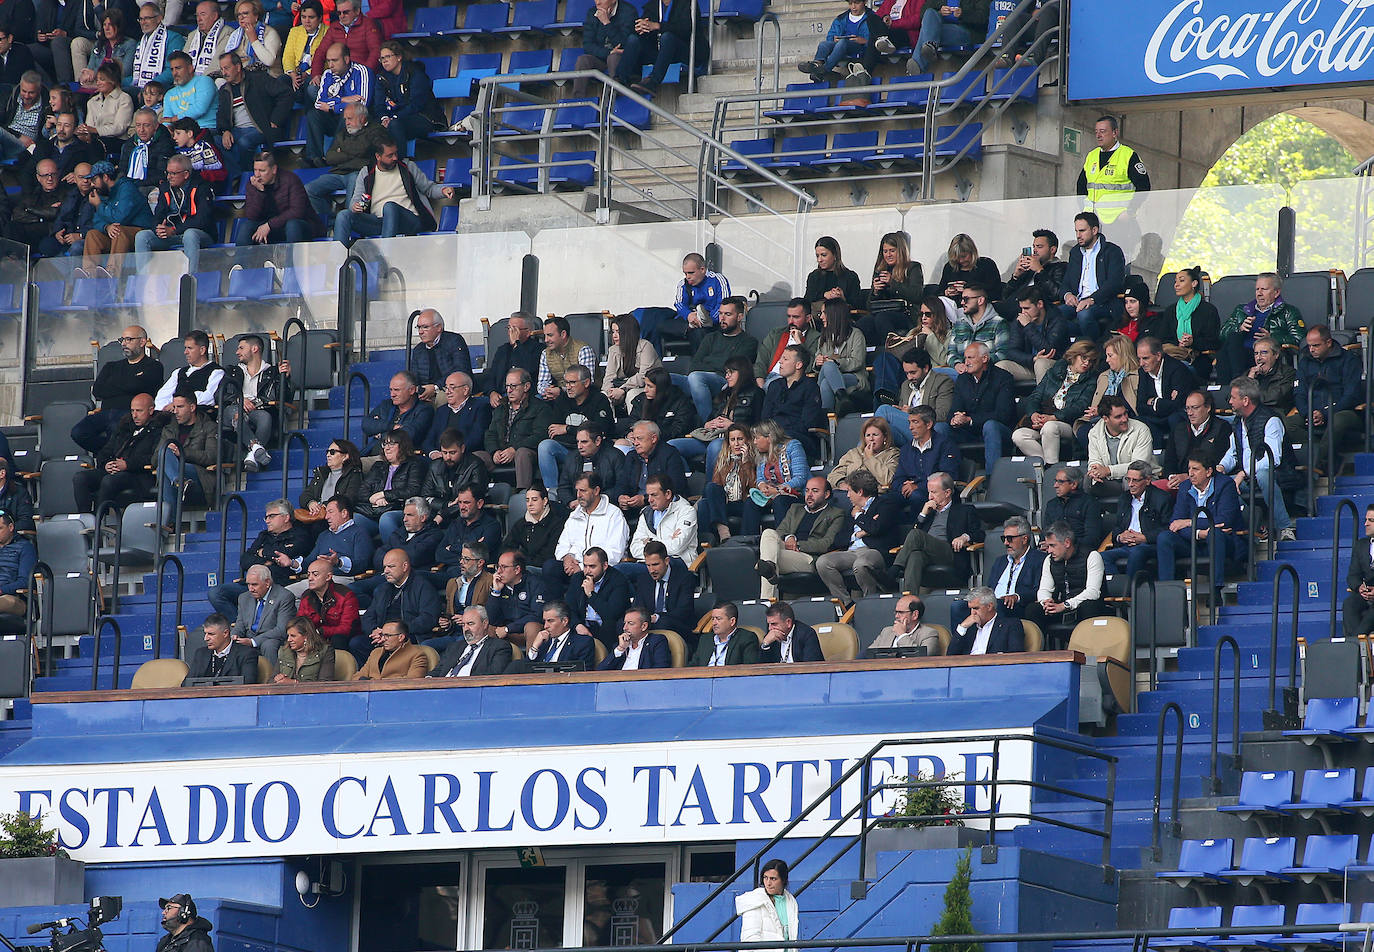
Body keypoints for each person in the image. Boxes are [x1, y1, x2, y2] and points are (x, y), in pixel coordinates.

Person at [335, 134, 455, 244]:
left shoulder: (407, 167)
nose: (394, 158)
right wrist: (355, 206)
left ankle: (386, 258)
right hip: (379, 223)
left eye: (395, 154)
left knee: (390, 207)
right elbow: (355, 200)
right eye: (389, 155)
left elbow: (428, 188)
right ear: (378, 156)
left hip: (409, 221)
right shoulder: (366, 172)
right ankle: (337, 263)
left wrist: (443, 190)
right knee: (343, 215)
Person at [1221, 375, 1295, 541]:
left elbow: (1273, 458)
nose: (1230, 402)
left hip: (1279, 475)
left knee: (1263, 474)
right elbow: (1233, 452)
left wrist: (1243, 474)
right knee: (1221, 484)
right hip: (1248, 478)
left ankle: (1285, 527)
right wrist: (1221, 467)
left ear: (1245, 400)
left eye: (1233, 398)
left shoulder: (1271, 420)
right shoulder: (1238, 422)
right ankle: (1255, 525)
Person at [208, 498, 308, 617]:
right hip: (252, 585)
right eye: (266, 517)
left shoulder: (300, 535)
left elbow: (284, 554)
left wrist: (262, 552)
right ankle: (238, 628)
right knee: (216, 593)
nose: (267, 521)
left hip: (278, 585)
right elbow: (245, 560)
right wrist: (265, 563)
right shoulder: (264, 535)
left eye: (271, 516)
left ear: (286, 517)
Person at [71, 324, 163, 453]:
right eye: (122, 340)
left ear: (142, 342)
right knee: (78, 432)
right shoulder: (111, 366)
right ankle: (108, 453)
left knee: (116, 427)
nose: (124, 344)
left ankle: (114, 457)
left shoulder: (153, 366)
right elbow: (97, 391)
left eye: (129, 339)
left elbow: (141, 387)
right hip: (106, 412)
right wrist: (131, 383)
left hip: (130, 414)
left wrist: (115, 384)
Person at [1155, 453, 1243, 586]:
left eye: (1195, 469)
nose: (1190, 473)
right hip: (1192, 542)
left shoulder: (1225, 485)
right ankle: (1167, 589)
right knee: (1165, 537)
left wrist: (1189, 522)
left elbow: (1224, 521)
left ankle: (1216, 589)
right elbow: (1175, 523)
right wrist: (1199, 533)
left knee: (1215, 534)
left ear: (1208, 471)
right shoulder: (1185, 487)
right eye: (1189, 469)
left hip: (1222, 542)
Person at [815, 470, 901, 603]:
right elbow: (838, 539)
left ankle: (870, 602)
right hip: (852, 551)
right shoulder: (851, 510)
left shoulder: (885, 504)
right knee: (823, 562)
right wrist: (858, 533)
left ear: (860, 492)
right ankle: (846, 604)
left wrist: (860, 517)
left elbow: (876, 528)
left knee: (861, 564)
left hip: (874, 551)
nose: (847, 495)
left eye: (849, 491)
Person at [755, 476, 844, 599]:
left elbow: (827, 543)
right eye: (807, 490)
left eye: (815, 491)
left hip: (808, 558)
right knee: (769, 533)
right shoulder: (796, 508)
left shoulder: (836, 514)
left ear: (827, 494)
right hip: (787, 549)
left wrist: (797, 545)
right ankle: (769, 567)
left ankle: (766, 601)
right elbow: (780, 531)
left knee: (767, 560)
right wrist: (789, 537)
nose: (809, 495)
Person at [1011, 340, 1100, 463]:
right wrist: (1034, 415)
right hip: (1045, 418)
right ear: (1074, 355)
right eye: (1084, 358)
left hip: (1069, 423)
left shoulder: (1091, 379)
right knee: (1019, 435)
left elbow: (1081, 406)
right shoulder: (1055, 371)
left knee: (1050, 427)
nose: (1087, 363)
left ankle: (1051, 466)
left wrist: (1054, 417)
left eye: (1091, 361)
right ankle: (1047, 467)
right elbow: (1035, 395)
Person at [73, 391, 162, 513]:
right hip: (115, 470)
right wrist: (107, 464)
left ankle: (98, 520)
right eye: (132, 411)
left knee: (109, 481)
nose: (134, 415)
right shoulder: (125, 427)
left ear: (151, 410)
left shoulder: (159, 430)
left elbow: (154, 457)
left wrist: (127, 465)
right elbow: (105, 451)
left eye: (139, 411)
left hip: (138, 474)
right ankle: (85, 518)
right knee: (80, 478)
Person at [1292, 324, 1362, 477]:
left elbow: (1351, 395)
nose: (1311, 349)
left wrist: (1325, 413)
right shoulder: (1305, 362)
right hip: (1312, 413)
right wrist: (1307, 413)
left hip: (1344, 412)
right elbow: (1299, 393)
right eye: (1309, 345)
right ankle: (1331, 458)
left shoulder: (1349, 360)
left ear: (1328, 343)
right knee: (1287, 424)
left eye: (1316, 345)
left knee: (1338, 420)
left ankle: (1316, 467)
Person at [673, 354, 761, 472]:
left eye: (731, 372)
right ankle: (689, 481)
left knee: (715, 447)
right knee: (672, 446)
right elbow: (710, 417)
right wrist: (708, 424)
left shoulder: (757, 394)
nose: (727, 376)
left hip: (734, 441)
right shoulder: (724, 393)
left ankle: (711, 488)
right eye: (726, 372)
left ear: (743, 372)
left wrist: (732, 426)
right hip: (711, 437)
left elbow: (759, 427)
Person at [893, 472, 978, 592]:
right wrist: (922, 514)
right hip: (928, 553)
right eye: (928, 492)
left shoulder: (964, 510)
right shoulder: (928, 511)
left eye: (934, 492)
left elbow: (979, 534)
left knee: (916, 534)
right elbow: (913, 538)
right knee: (915, 556)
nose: (929, 497)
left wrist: (964, 537)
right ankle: (910, 598)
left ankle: (895, 569)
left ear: (947, 492)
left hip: (950, 551)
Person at [537, 364, 615, 496]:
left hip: (595, 452)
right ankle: (552, 493)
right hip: (568, 450)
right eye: (566, 382)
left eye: (572, 382)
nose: (568, 386)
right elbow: (553, 430)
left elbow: (600, 430)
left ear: (586, 383)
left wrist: (568, 429)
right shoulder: (562, 399)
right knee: (545, 446)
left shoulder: (599, 399)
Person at [940, 340, 1015, 473]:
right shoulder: (963, 379)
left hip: (999, 432)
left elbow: (1003, 415)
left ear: (985, 358)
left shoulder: (1003, 377)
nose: (966, 362)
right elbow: (954, 409)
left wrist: (970, 420)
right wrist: (954, 419)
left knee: (990, 426)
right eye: (965, 358)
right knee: (940, 428)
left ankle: (992, 480)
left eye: (970, 358)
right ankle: (946, 478)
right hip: (970, 433)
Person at [215, 50, 290, 182]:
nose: (224, 73)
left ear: (238, 67)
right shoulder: (224, 90)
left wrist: (275, 120)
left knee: (245, 143)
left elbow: (286, 94)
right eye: (221, 69)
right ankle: (237, 175)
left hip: (260, 128)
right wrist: (225, 130)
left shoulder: (259, 79)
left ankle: (247, 175)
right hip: (236, 130)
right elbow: (221, 114)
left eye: (226, 68)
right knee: (216, 141)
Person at [354, 548, 441, 662]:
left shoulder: (423, 586)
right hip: (382, 636)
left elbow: (428, 618)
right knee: (356, 643)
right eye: (384, 567)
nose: (386, 571)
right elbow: (369, 616)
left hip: (407, 636)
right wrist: (374, 631)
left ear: (405, 567)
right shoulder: (383, 589)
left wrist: (397, 632)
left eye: (391, 566)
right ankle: (370, 677)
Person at [132, 153, 215, 272]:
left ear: (186, 174)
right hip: (172, 234)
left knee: (190, 234)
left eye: (173, 173)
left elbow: (202, 220)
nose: (169, 177)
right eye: (167, 173)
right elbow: (158, 215)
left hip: (199, 234)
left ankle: (189, 281)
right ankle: (144, 282)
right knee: (142, 236)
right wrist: (159, 228)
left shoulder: (201, 187)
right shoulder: (165, 187)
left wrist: (174, 229)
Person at [1217, 272, 1306, 381]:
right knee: (1233, 338)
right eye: (1257, 289)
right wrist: (1239, 328)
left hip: (1265, 357)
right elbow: (1221, 335)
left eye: (1264, 289)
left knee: (1225, 354)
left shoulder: (1288, 311)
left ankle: (1235, 384)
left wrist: (1272, 338)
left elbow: (1300, 338)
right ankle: (1236, 382)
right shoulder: (1242, 310)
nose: (1259, 293)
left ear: (1276, 292)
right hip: (1237, 355)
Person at [304, 102, 385, 218]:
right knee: (308, 190)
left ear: (362, 118)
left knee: (351, 204)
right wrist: (352, 155)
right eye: (346, 119)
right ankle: (331, 222)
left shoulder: (375, 130)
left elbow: (362, 148)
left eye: (350, 118)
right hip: (338, 173)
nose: (347, 122)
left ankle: (351, 228)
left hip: (359, 173)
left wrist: (342, 151)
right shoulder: (343, 133)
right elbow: (330, 157)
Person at [1057, 211, 1126, 342]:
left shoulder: (1112, 251)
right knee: (1053, 316)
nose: (1078, 235)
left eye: (1082, 231)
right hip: (1078, 301)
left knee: (1084, 315)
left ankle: (1092, 349)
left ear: (1094, 230)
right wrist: (1068, 295)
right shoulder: (1075, 252)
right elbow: (1066, 282)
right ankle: (1082, 342)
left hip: (1103, 302)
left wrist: (1092, 299)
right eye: (1076, 231)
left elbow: (1115, 283)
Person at [615, 0, 707, 96]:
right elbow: (644, 32)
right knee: (633, 39)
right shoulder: (652, 6)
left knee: (667, 37)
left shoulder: (687, 3)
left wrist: (658, 26)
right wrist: (641, 28)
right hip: (660, 54)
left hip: (685, 52)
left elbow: (685, 30)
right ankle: (620, 81)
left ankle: (652, 82)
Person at [1144, 267, 1221, 380]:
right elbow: (1163, 338)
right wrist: (1179, 343)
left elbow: (1213, 341)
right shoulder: (1171, 310)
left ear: (1194, 283)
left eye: (1181, 280)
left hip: (1198, 359)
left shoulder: (1208, 310)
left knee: (1172, 369)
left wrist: (1192, 341)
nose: (1176, 285)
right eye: (1175, 281)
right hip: (1172, 355)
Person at [478, 368, 550, 490]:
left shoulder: (540, 408)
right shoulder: (501, 407)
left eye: (513, 386)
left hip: (527, 454)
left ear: (526, 386)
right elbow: (490, 434)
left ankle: (523, 495)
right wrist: (494, 451)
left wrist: (514, 449)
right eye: (507, 386)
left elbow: (540, 435)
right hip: (500, 454)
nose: (509, 390)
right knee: (477, 456)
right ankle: (477, 497)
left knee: (522, 453)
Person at [1027, 520, 1106, 630]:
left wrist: (1065, 605)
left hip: (1083, 607)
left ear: (1067, 543)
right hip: (1062, 608)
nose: (1049, 550)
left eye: (1052, 546)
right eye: (1048, 546)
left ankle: (1088, 645)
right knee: (1033, 609)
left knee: (1089, 606)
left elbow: (1093, 592)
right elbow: (1044, 589)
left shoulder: (1092, 556)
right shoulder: (1049, 560)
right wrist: (1046, 602)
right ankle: (1040, 647)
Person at [155, 390, 218, 526]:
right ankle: (178, 481)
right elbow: (155, 459)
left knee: (163, 465)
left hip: (200, 478)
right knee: (163, 457)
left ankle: (170, 523)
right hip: (179, 479)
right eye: (174, 407)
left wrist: (182, 453)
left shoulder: (209, 427)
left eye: (180, 407)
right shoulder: (169, 429)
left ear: (192, 407)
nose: (176, 411)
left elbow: (211, 457)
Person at [285, 495, 375, 590]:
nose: (326, 517)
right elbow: (309, 561)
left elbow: (362, 564)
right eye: (326, 512)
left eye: (331, 512)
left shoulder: (359, 533)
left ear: (344, 513)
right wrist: (291, 563)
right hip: (317, 579)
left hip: (343, 580)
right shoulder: (324, 535)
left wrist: (338, 562)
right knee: (287, 595)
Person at [1100, 460, 1170, 582]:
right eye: (1128, 479)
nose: (1130, 484)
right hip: (1126, 545)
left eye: (1135, 480)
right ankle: (1117, 588)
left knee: (1137, 552)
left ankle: (1130, 592)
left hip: (1149, 545)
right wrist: (1120, 537)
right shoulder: (1124, 498)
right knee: (1100, 557)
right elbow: (1117, 527)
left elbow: (1167, 528)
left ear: (1148, 480)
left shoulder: (1162, 498)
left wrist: (1145, 537)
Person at [551, 471, 630, 578]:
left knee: (578, 578)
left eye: (583, 491)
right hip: (573, 566)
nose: (578, 495)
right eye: (577, 490)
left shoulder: (614, 515)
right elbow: (562, 545)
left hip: (599, 570)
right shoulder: (575, 515)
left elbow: (615, 553)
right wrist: (566, 558)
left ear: (596, 490)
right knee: (550, 567)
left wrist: (583, 568)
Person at [884, 405, 958, 517]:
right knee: (884, 500)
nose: (910, 427)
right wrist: (903, 487)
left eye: (915, 422)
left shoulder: (945, 445)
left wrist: (918, 486)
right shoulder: (906, 449)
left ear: (928, 424)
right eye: (909, 422)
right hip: (909, 492)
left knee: (916, 496)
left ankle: (917, 529)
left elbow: (948, 476)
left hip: (933, 493)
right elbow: (898, 478)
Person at [1076, 115, 1150, 225]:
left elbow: (1144, 186)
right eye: (1096, 132)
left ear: (1115, 133)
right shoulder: (1092, 155)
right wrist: (1084, 211)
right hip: (1093, 220)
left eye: (1102, 131)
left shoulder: (1128, 155)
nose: (1098, 136)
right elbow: (1081, 186)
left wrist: (1130, 212)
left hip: (1118, 220)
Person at [222, 333, 280, 472]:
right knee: (237, 414)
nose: (237, 352)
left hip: (257, 409)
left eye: (241, 348)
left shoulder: (271, 372)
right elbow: (220, 394)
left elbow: (280, 397)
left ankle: (252, 456)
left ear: (254, 349)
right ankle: (255, 448)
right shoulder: (232, 371)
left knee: (266, 417)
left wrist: (286, 379)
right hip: (233, 409)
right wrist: (239, 400)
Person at [84, 158, 155, 270]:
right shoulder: (102, 193)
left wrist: (99, 206)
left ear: (105, 177)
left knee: (119, 230)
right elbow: (96, 220)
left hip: (139, 231)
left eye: (94, 180)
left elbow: (121, 218)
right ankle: (89, 274)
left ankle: (112, 272)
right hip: (116, 236)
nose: (92, 184)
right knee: (93, 235)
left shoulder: (127, 188)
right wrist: (106, 227)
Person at [238, 150, 322, 244]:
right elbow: (251, 216)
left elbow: (297, 211)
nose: (257, 175)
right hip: (271, 228)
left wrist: (269, 225)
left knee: (292, 225)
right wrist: (260, 192)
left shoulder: (290, 179)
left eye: (262, 171)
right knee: (246, 227)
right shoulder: (253, 184)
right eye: (255, 170)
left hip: (301, 226)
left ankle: (292, 258)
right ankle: (242, 258)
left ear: (274, 169)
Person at [354, 428, 427, 535]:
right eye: (385, 444)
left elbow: (413, 490)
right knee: (355, 519)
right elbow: (362, 491)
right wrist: (374, 499)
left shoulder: (414, 465)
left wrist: (384, 495)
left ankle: (394, 551)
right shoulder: (378, 466)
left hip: (399, 509)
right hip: (375, 509)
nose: (387, 448)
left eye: (391, 444)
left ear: (402, 446)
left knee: (386, 519)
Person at [874, 347, 953, 442]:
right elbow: (902, 413)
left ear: (926, 368)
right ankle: (863, 453)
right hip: (908, 431)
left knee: (884, 410)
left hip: (927, 429)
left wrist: (913, 412)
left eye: (913, 372)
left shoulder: (942, 381)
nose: (909, 377)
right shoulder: (905, 385)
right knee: (881, 432)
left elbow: (943, 415)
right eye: (906, 373)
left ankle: (861, 452)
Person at [760, 344, 824, 460]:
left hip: (798, 438)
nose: (780, 362)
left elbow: (808, 423)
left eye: (785, 359)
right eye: (781, 358)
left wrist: (779, 432)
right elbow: (765, 417)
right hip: (772, 436)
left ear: (798, 365)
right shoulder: (774, 386)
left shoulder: (810, 387)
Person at [306, 40, 368, 161]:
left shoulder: (361, 72)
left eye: (334, 60)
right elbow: (319, 103)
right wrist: (343, 100)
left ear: (346, 59)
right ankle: (314, 158)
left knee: (348, 114)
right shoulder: (327, 74)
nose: (330, 65)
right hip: (333, 118)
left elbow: (362, 104)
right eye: (328, 61)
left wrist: (334, 106)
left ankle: (333, 156)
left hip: (356, 123)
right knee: (313, 114)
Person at [696, 423, 757, 544]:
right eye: (732, 440)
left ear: (747, 440)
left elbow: (754, 488)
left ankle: (744, 543)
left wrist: (745, 463)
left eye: (740, 439)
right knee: (705, 500)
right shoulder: (723, 459)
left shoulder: (754, 459)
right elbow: (715, 488)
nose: (736, 444)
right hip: (725, 503)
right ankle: (711, 541)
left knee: (750, 502)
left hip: (744, 503)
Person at [226, 562, 296, 665]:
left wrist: (253, 641)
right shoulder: (244, 598)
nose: (250, 589)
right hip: (249, 638)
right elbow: (240, 624)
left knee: (269, 645)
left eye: (254, 584)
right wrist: (234, 635)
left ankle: (271, 679)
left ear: (267, 582)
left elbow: (281, 630)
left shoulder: (284, 597)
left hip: (272, 639)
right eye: (248, 584)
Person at [1085, 394, 1153, 497]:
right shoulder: (1094, 433)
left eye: (1125, 413)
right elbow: (1094, 461)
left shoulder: (1141, 430)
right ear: (1105, 418)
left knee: (1131, 479)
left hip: (1139, 481)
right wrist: (1095, 472)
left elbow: (1139, 467)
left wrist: (1108, 470)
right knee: (1088, 481)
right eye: (1118, 417)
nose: (1125, 419)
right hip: (1112, 483)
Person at [798, 0, 883, 83]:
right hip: (841, 47)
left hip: (861, 47)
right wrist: (833, 39)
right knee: (824, 44)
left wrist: (864, 41)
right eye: (850, 3)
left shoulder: (872, 17)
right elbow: (830, 36)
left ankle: (824, 70)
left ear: (864, 2)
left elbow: (879, 39)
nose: (853, 7)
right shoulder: (841, 18)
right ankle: (817, 64)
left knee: (842, 43)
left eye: (857, 3)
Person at [618, 419, 688, 519]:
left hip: (664, 509)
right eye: (634, 439)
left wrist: (645, 499)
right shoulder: (631, 456)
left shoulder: (670, 454)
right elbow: (622, 483)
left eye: (639, 439)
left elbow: (675, 486)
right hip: (633, 509)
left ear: (653, 438)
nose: (635, 443)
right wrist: (621, 497)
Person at [862, 231, 924, 342]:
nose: (888, 255)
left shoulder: (912, 268)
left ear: (900, 251)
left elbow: (917, 295)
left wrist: (893, 283)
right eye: (885, 251)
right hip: (882, 312)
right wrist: (875, 292)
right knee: (863, 323)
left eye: (892, 251)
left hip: (906, 314)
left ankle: (892, 349)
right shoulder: (880, 270)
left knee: (882, 319)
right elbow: (869, 306)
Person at [1135, 335, 1197, 445]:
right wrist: (1164, 403)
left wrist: (1154, 402)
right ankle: (1154, 456)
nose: (1141, 363)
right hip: (1156, 418)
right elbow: (1140, 406)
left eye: (1145, 358)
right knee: (1140, 421)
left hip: (1177, 416)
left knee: (1175, 418)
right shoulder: (1142, 372)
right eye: (1139, 358)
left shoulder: (1177, 369)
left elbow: (1178, 405)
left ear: (1158, 356)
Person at [563, 546, 630, 647]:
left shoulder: (618, 580)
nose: (587, 571)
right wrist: (577, 625)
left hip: (607, 630)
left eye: (592, 566)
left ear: (605, 565)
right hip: (583, 626)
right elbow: (568, 608)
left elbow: (612, 615)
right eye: (585, 566)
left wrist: (591, 595)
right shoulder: (578, 578)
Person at [1162, 390, 1231, 487]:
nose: (1190, 413)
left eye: (1194, 408)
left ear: (1208, 407)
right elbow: (1169, 461)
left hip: (1208, 482)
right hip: (1178, 482)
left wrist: (1189, 476)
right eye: (1187, 408)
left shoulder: (1222, 428)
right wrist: (1173, 477)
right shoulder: (1178, 429)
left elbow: (1217, 462)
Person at [979, 515, 1044, 619]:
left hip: (1017, 607)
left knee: (999, 605)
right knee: (959, 607)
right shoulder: (1000, 561)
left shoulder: (1039, 560)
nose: (1005, 543)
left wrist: (1016, 597)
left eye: (1009, 539)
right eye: (1003, 538)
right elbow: (990, 588)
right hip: (993, 604)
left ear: (1024, 539)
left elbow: (1039, 591)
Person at [749, 419, 809, 531]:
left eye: (757, 438)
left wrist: (777, 490)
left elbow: (800, 479)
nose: (755, 442)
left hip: (795, 495)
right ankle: (748, 541)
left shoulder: (793, 446)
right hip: (770, 496)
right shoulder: (761, 454)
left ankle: (782, 540)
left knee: (780, 500)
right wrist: (762, 486)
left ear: (769, 437)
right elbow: (760, 479)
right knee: (751, 502)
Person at [1079, 333, 1139, 443]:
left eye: (1110, 356)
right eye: (1106, 356)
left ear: (1122, 355)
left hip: (1126, 419)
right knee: (1082, 431)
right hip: (1101, 419)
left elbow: (1131, 406)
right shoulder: (1103, 376)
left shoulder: (1138, 376)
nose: (1107, 360)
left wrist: (1102, 411)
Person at [619, 369, 698, 451]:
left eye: (650, 386)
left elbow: (678, 430)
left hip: (663, 442)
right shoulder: (640, 400)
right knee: (621, 443)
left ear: (661, 388)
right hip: (639, 441)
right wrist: (629, 433)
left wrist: (649, 435)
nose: (645, 390)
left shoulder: (680, 402)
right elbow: (632, 421)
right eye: (645, 385)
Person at [628, 473, 697, 566]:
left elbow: (677, 547)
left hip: (678, 564)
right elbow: (634, 549)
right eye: (648, 495)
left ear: (668, 494)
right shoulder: (646, 513)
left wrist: (649, 542)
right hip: (648, 565)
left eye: (654, 495)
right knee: (621, 571)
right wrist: (668, 540)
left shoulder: (687, 512)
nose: (649, 500)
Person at [433, 484, 503, 575]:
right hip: (449, 575)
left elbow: (480, 554)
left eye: (466, 503)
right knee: (419, 576)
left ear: (479, 503)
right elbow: (439, 554)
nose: (462, 507)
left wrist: (452, 548)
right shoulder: (456, 524)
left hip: (475, 577)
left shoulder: (492, 526)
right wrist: (467, 557)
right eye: (460, 502)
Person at [295, 556, 360, 652]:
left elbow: (347, 628)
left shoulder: (345, 595)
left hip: (341, 638)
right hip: (315, 637)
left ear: (328, 577)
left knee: (338, 639)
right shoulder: (306, 596)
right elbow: (300, 622)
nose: (310, 578)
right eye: (308, 575)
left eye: (315, 574)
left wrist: (321, 631)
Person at [1004, 287, 1069, 383]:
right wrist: (1033, 359)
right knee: (1001, 366)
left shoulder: (1057, 320)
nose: (1023, 312)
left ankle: (1042, 398)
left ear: (1040, 304)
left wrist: (1028, 326)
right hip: (1030, 364)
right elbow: (1011, 351)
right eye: (1021, 308)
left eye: (1027, 308)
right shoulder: (1020, 321)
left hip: (1054, 365)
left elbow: (1049, 351)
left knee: (1041, 363)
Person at [361, 370, 433, 456]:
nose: (392, 394)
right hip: (370, 453)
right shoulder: (386, 404)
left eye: (396, 390)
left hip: (399, 459)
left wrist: (381, 433)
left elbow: (409, 435)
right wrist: (392, 427)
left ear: (412, 390)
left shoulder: (424, 410)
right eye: (391, 390)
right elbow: (366, 424)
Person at [812, 300, 868, 411]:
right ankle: (843, 398)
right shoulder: (823, 337)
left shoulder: (856, 334)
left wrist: (836, 362)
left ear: (834, 315)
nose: (821, 317)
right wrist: (818, 362)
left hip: (853, 377)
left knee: (825, 383)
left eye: (824, 313)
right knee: (827, 370)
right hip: (829, 375)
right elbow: (817, 360)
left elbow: (857, 362)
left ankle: (827, 417)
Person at [428, 605, 512, 677]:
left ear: (485, 624)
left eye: (470, 624)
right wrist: (428, 678)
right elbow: (438, 671)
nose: (466, 628)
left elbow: (494, 676)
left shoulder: (499, 647)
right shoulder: (454, 647)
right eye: (463, 624)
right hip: (444, 690)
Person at [907, 0, 988, 75]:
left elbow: (983, 17)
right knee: (929, 12)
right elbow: (923, 13)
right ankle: (929, 46)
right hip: (940, 28)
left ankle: (919, 61)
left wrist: (963, 14)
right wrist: (939, 12)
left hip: (967, 31)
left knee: (929, 31)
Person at [409, 309, 472, 404]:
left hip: (451, 389)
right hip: (426, 393)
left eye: (425, 327)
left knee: (442, 398)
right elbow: (414, 377)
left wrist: (435, 387)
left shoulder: (454, 341)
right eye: (418, 327)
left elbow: (461, 370)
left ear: (439, 327)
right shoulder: (418, 350)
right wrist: (420, 391)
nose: (420, 332)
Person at [557, 424, 626, 510]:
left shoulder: (615, 456)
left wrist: (593, 501)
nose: (579, 446)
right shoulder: (571, 458)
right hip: (577, 508)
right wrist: (571, 502)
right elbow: (563, 487)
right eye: (577, 442)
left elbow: (621, 487)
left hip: (607, 507)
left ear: (597, 441)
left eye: (584, 442)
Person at [486, 548, 546, 645]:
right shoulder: (500, 587)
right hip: (504, 633)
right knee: (482, 627)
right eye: (498, 566)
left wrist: (508, 629)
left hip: (526, 632)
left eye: (504, 567)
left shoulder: (535, 584)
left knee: (532, 627)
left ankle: (532, 660)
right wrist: (496, 592)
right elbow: (491, 619)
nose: (499, 572)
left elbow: (537, 615)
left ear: (517, 569)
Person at [999, 229, 1067, 316]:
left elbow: (1056, 294)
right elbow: (1005, 296)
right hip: (1014, 304)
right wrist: (1016, 276)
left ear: (1052, 249)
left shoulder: (1060, 267)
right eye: (1034, 247)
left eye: (1039, 247)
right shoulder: (1029, 267)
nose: (1035, 250)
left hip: (1031, 308)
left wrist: (1039, 270)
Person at [573, 0, 634, 97]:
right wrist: (608, 52)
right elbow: (588, 45)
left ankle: (615, 96)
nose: (598, 3)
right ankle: (578, 101)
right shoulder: (592, 13)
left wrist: (606, 22)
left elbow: (624, 43)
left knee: (614, 57)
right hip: (602, 57)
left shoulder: (628, 11)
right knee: (583, 60)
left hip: (623, 58)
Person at [829, 416, 900, 499]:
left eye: (875, 435)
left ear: (885, 437)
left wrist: (870, 457)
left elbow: (887, 480)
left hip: (873, 497)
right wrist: (841, 483)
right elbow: (833, 475)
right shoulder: (854, 453)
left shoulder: (893, 454)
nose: (871, 439)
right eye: (868, 435)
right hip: (847, 494)